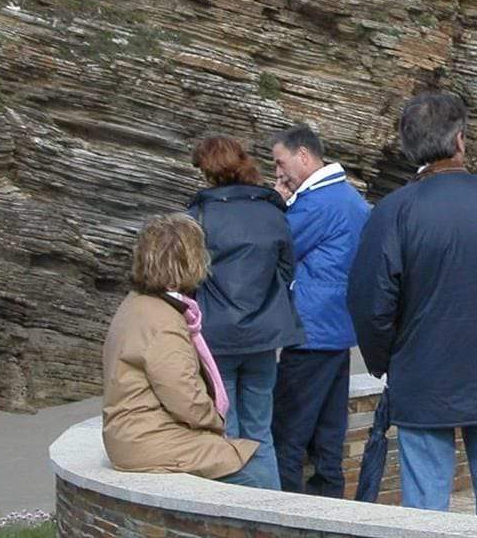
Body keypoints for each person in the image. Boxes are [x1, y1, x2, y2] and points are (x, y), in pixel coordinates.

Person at [348, 92, 477, 519]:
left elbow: (371, 304)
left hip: (421, 374)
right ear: (460, 140)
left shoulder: (393, 211)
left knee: (426, 512)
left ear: (410, 149)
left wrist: (387, 360)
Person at [101, 213, 262, 484]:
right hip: (150, 440)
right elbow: (183, 396)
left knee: (241, 458)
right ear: (188, 262)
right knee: (256, 474)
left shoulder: (138, 304)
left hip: (135, 435)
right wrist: (215, 421)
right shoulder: (163, 322)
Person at [186, 137, 304, 490]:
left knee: (227, 431)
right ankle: (270, 512)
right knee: (261, 431)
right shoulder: (272, 211)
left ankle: (233, 514)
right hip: (264, 335)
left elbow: (188, 279)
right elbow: (287, 270)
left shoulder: (198, 217)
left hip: (217, 336)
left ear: (207, 170)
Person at [269, 125, 370, 498]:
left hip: (311, 331)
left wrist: (277, 203)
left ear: (304, 156)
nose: (279, 173)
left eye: (281, 162)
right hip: (339, 328)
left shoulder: (316, 204)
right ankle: (330, 507)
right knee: (328, 433)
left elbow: (277, 246)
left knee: (288, 435)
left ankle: (288, 511)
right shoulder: (351, 199)